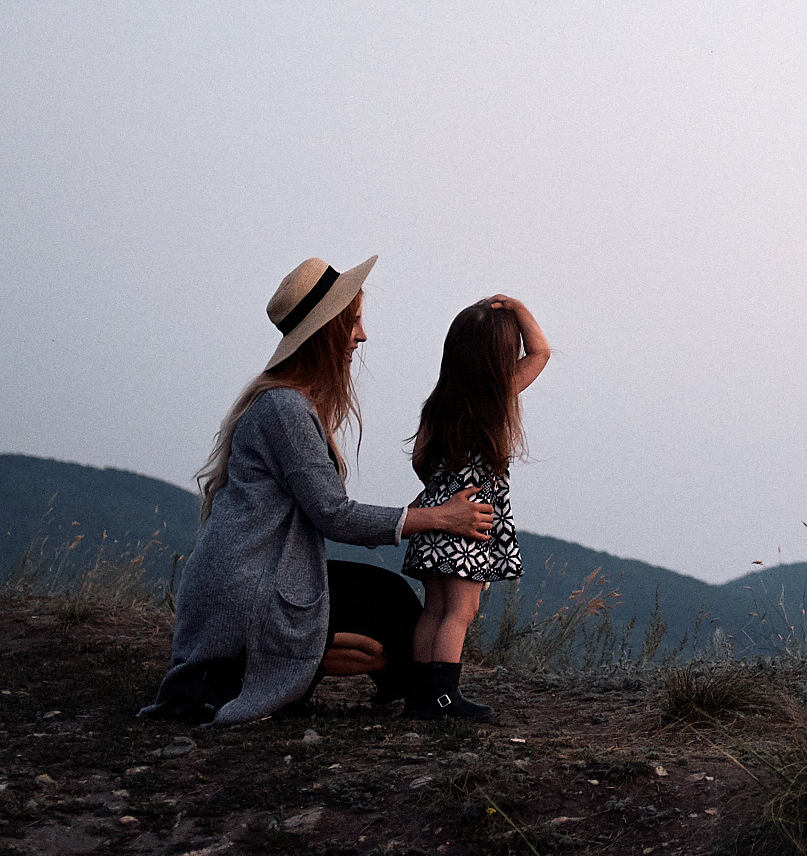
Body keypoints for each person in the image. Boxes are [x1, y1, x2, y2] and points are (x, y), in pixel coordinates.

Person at [139, 256, 497, 726]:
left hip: (255, 578)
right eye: (354, 322)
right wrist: (439, 518)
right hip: (252, 589)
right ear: (326, 331)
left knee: (390, 603)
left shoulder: (285, 402)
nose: (362, 336)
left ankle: (283, 671)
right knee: (390, 613)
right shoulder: (285, 409)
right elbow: (334, 514)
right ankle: (245, 675)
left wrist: (423, 512)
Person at [399, 294, 552, 720]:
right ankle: (444, 697)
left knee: (434, 607)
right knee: (461, 610)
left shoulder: (439, 404)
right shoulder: (493, 398)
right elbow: (540, 353)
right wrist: (519, 309)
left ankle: (420, 696)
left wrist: (439, 492)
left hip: (434, 515)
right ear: (497, 360)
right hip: (468, 520)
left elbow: (420, 460)